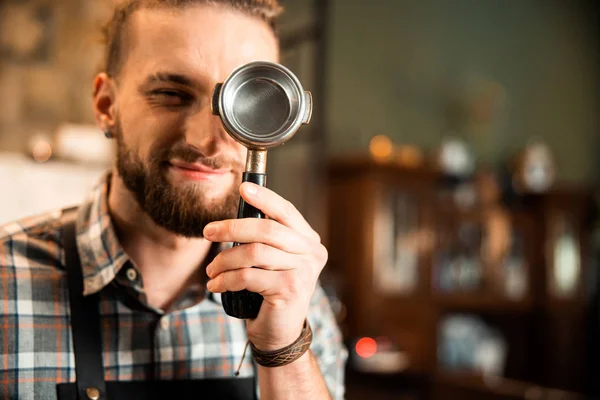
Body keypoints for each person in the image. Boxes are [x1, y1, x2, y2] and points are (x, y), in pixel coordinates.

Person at [0, 1, 347, 399]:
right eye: (171, 94)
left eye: (244, 101)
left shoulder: (294, 296)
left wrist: (284, 351)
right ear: (105, 106)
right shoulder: (5, 282)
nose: (207, 140)